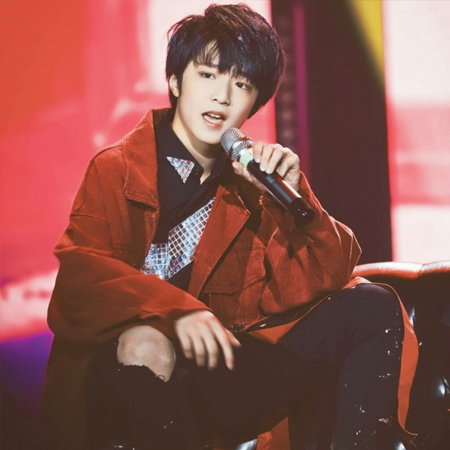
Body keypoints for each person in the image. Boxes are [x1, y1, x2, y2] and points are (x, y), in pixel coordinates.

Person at [43, 4, 418, 450]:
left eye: (241, 84)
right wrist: (177, 311)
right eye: (208, 75)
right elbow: (81, 279)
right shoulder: (117, 169)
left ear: (254, 102)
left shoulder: (252, 184)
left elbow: (324, 276)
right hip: (128, 377)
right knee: (146, 340)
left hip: (220, 372)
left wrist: (296, 195)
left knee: (371, 305)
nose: (222, 96)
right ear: (175, 82)